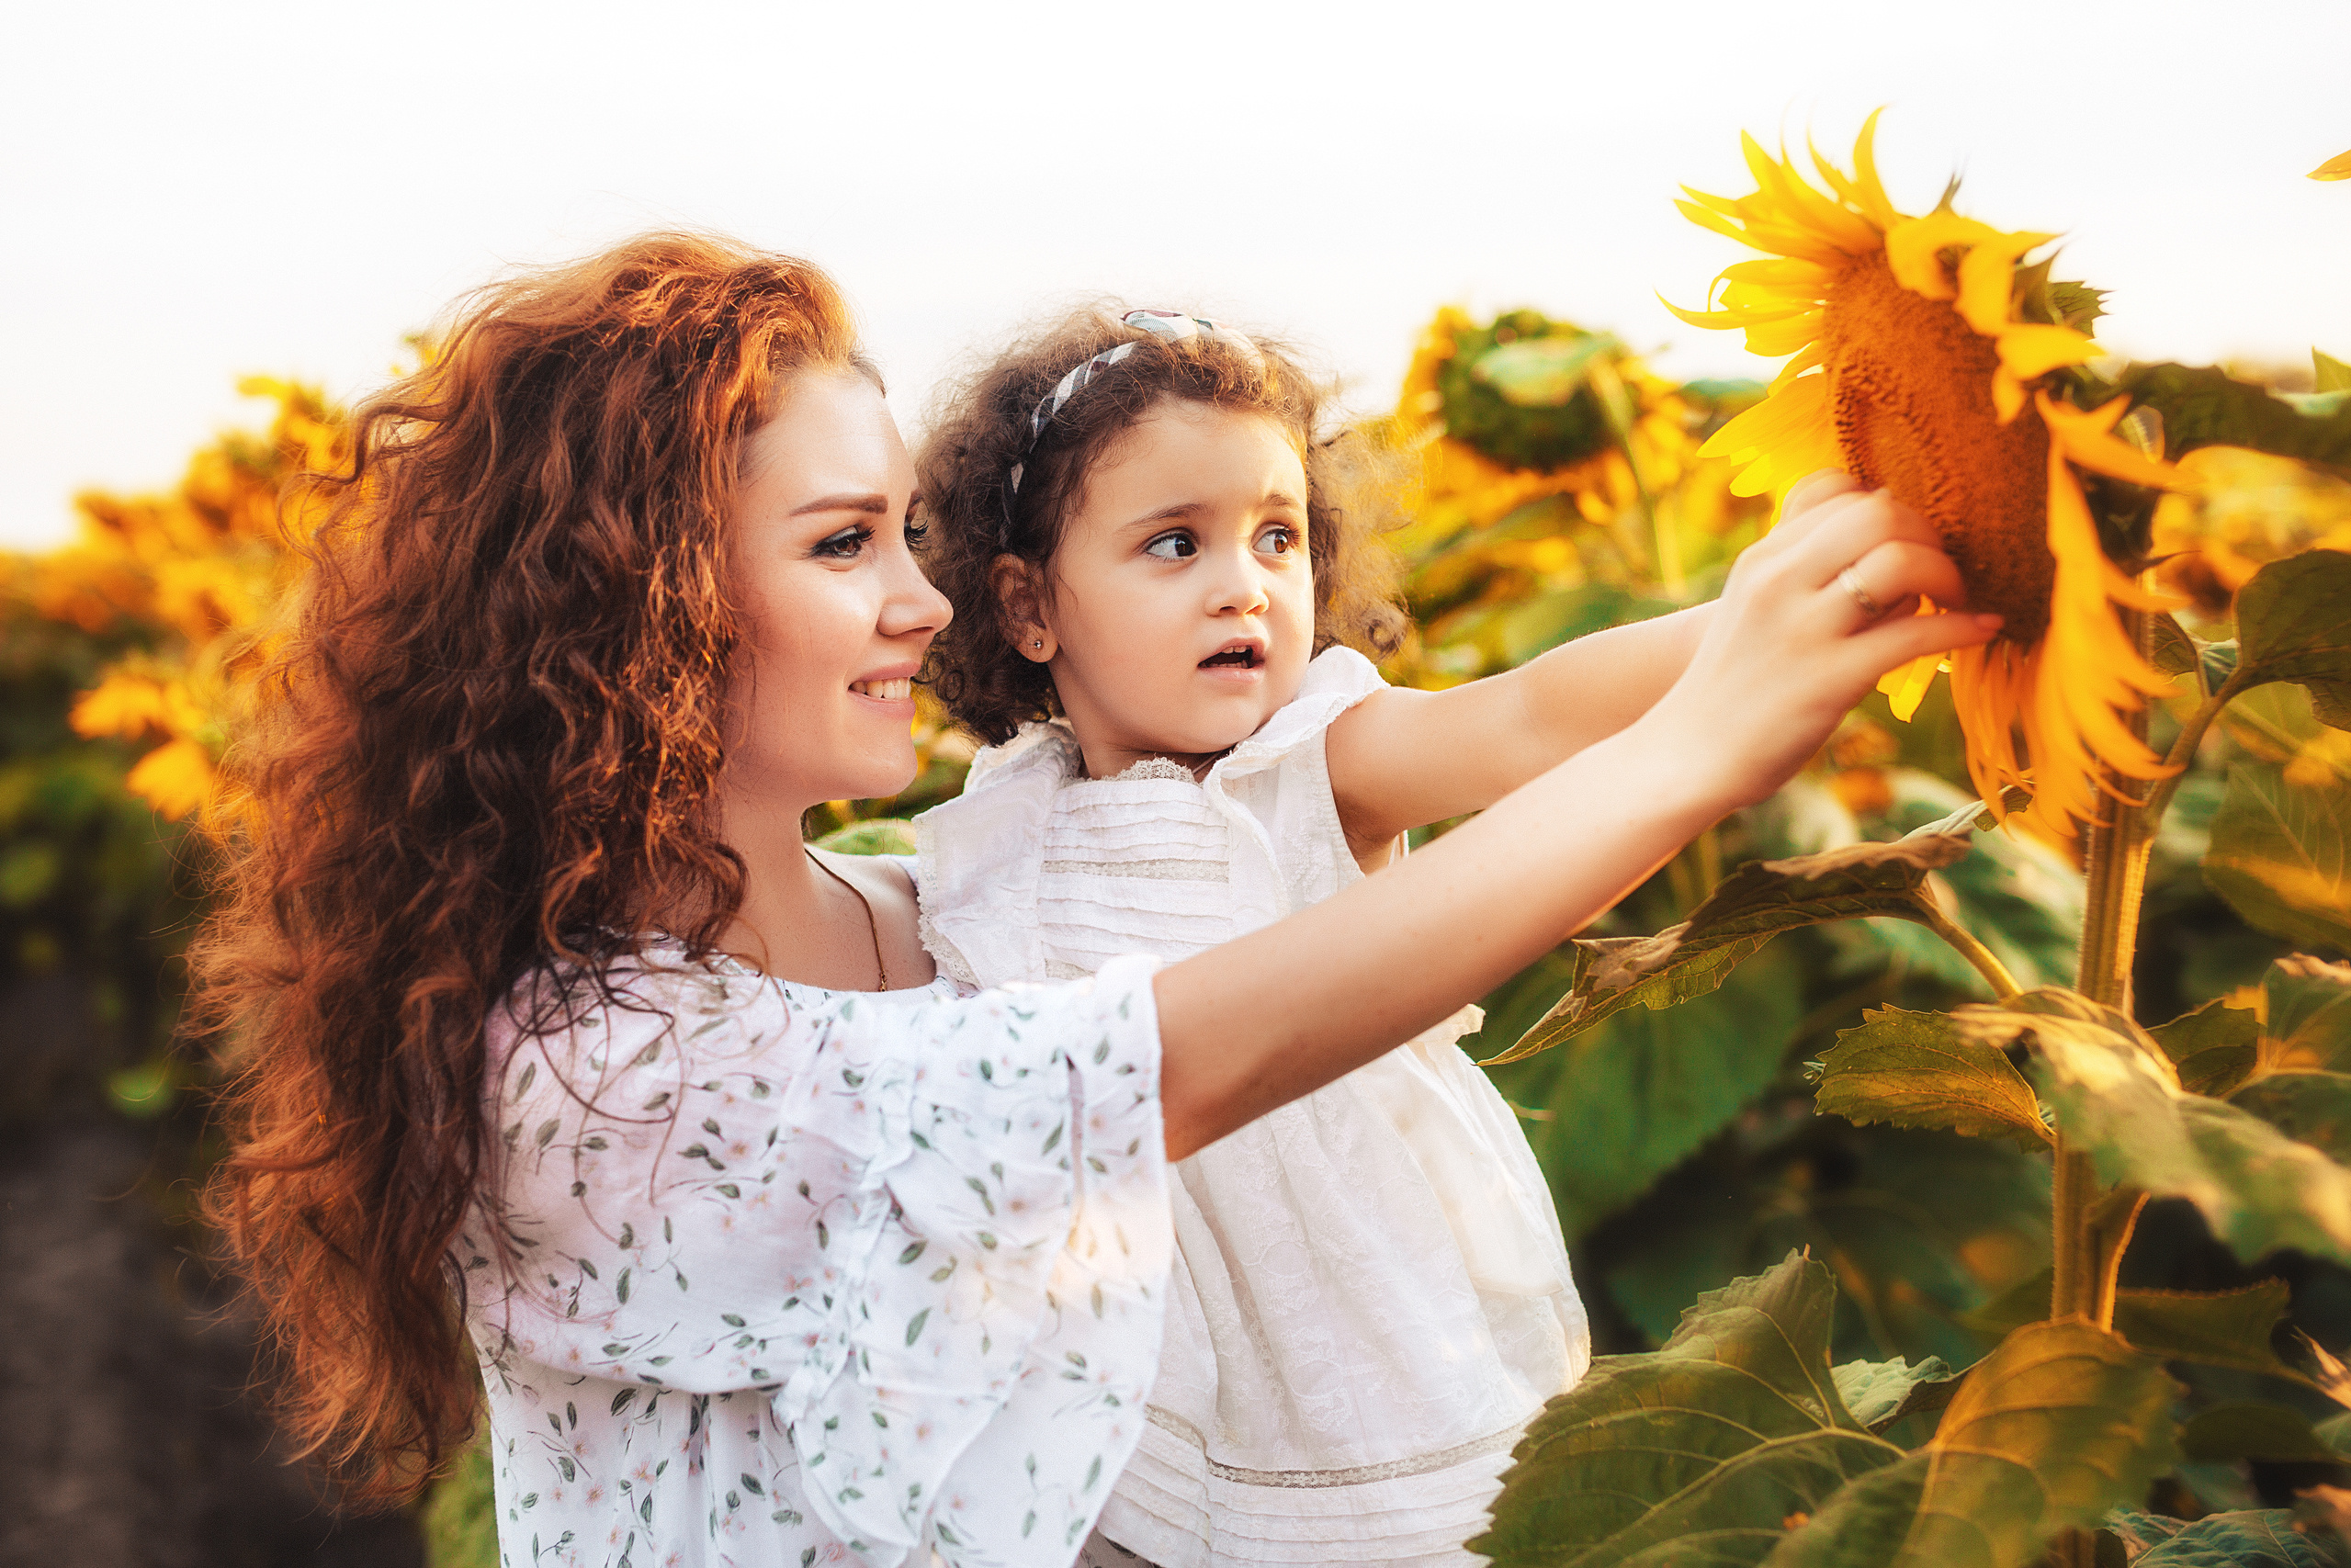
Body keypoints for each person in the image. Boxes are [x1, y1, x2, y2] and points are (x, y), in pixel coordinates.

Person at [194, 233, 1995, 1568]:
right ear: (633, 604)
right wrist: (1697, 746)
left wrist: (1863, 559)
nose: (919, 605)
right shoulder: (598, 1075)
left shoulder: (918, 909)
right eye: (840, 545)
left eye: (902, 533)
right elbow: (1188, 1053)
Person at [909, 305, 1725, 1565]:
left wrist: (1755, 630)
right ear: (1029, 609)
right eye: (1174, 544)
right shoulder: (1004, 822)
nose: (1244, 582)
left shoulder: (1310, 764)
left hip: (1353, 1334)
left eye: (1277, 537)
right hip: (1120, 1352)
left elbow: (1525, 719)